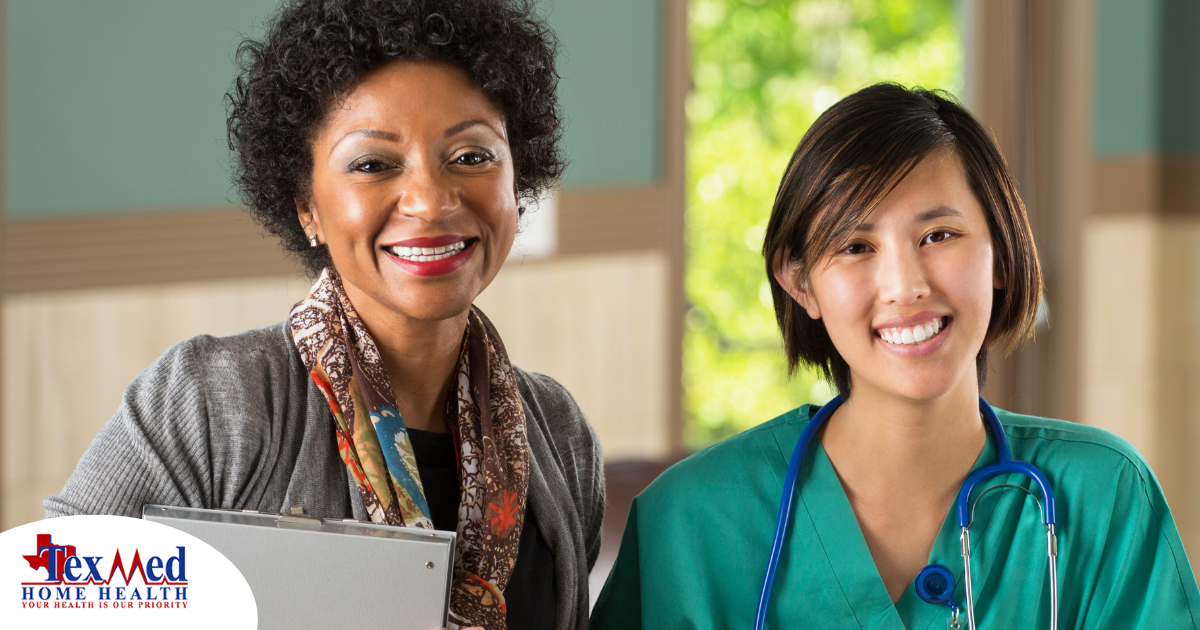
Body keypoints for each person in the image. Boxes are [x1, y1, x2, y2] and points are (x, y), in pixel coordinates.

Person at [44, 2, 604, 629]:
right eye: (373, 165)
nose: (430, 200)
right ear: (306, 204)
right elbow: (42, 605)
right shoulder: (210, 405)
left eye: (472, 156)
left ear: (518, 179)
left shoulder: (557, 434)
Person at [590, 84, 1200, 628]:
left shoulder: (1104, 495)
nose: (906, 286)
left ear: (1001, 252)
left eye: (938, 235)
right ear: (801, 284)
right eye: (856, 246)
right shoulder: (688, 523)